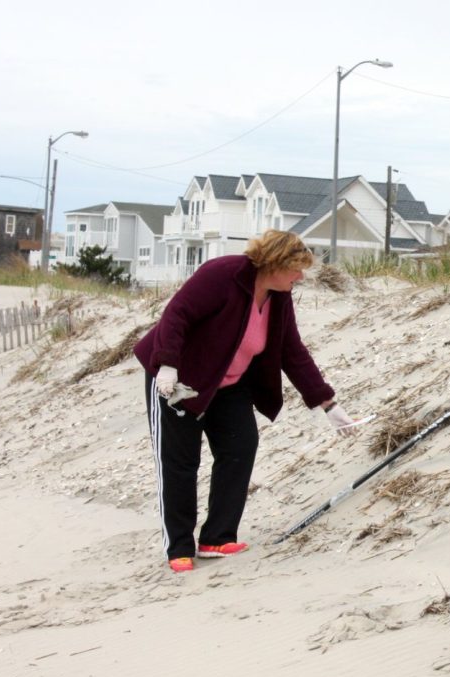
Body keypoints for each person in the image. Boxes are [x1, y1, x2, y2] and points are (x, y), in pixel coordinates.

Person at [134, 230, 359, 573]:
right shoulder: (222, 274)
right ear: (275, 263)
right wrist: (167, 364)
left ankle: (217, 538)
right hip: (178, 381)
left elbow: (292, 352)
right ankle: (179, 546)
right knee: (179, 462)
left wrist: (327, 404)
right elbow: (176, 315)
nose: (300, 277)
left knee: (241, 447)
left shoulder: (280, 296)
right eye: (296, 269)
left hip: (229, 385)